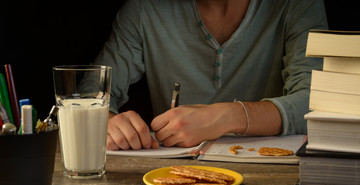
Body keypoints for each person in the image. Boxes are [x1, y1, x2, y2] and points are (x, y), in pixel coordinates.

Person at [93, 0, 328, 151]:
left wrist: (228, 116)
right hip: (171, 177)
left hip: (272, 175)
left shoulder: (297, 5)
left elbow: (318, 103)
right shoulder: (144, 10)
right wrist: (106, 121)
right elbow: (90, 92)